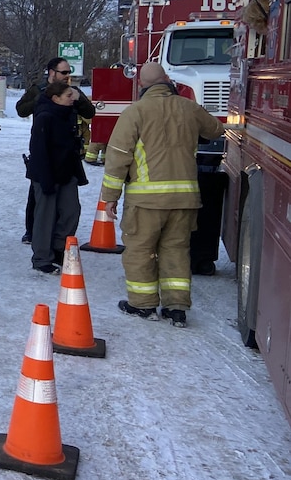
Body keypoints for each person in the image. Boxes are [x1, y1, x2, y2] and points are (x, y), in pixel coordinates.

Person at [101, 61, 224, 328]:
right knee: (176, 251)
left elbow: (118, 157)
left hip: (146, 201)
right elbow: (216, 129)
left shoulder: (135, 112)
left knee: (140, 251)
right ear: (167, 79)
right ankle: (176, 308)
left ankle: (142, 305)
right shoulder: (189, 108)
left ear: (141, 84)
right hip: (185, 200)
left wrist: (110, 196)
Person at [16, 57, 95, 244]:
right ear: (52, 72)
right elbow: (21, 110)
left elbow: (89, 112)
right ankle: (32, 231)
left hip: (67, 148)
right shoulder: (38, 90)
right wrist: (42, 98)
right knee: (39, 192)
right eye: (64, 72)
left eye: (69, 72)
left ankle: (58, 237)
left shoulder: (72, 92)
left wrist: (77, 99)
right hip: (44, 143)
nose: (67, 76)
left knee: (66, 197)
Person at [26, 81, 88, 274]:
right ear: (55, 98)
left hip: (66, 173)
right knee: (45, 216)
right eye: (68, 96)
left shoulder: (68, 113)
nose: (72, 99)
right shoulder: (45, 117)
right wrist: (45, 181)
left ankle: (58, 248)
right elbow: (38, 150)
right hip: (46, 174)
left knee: (71, 212)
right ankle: (42, 257)